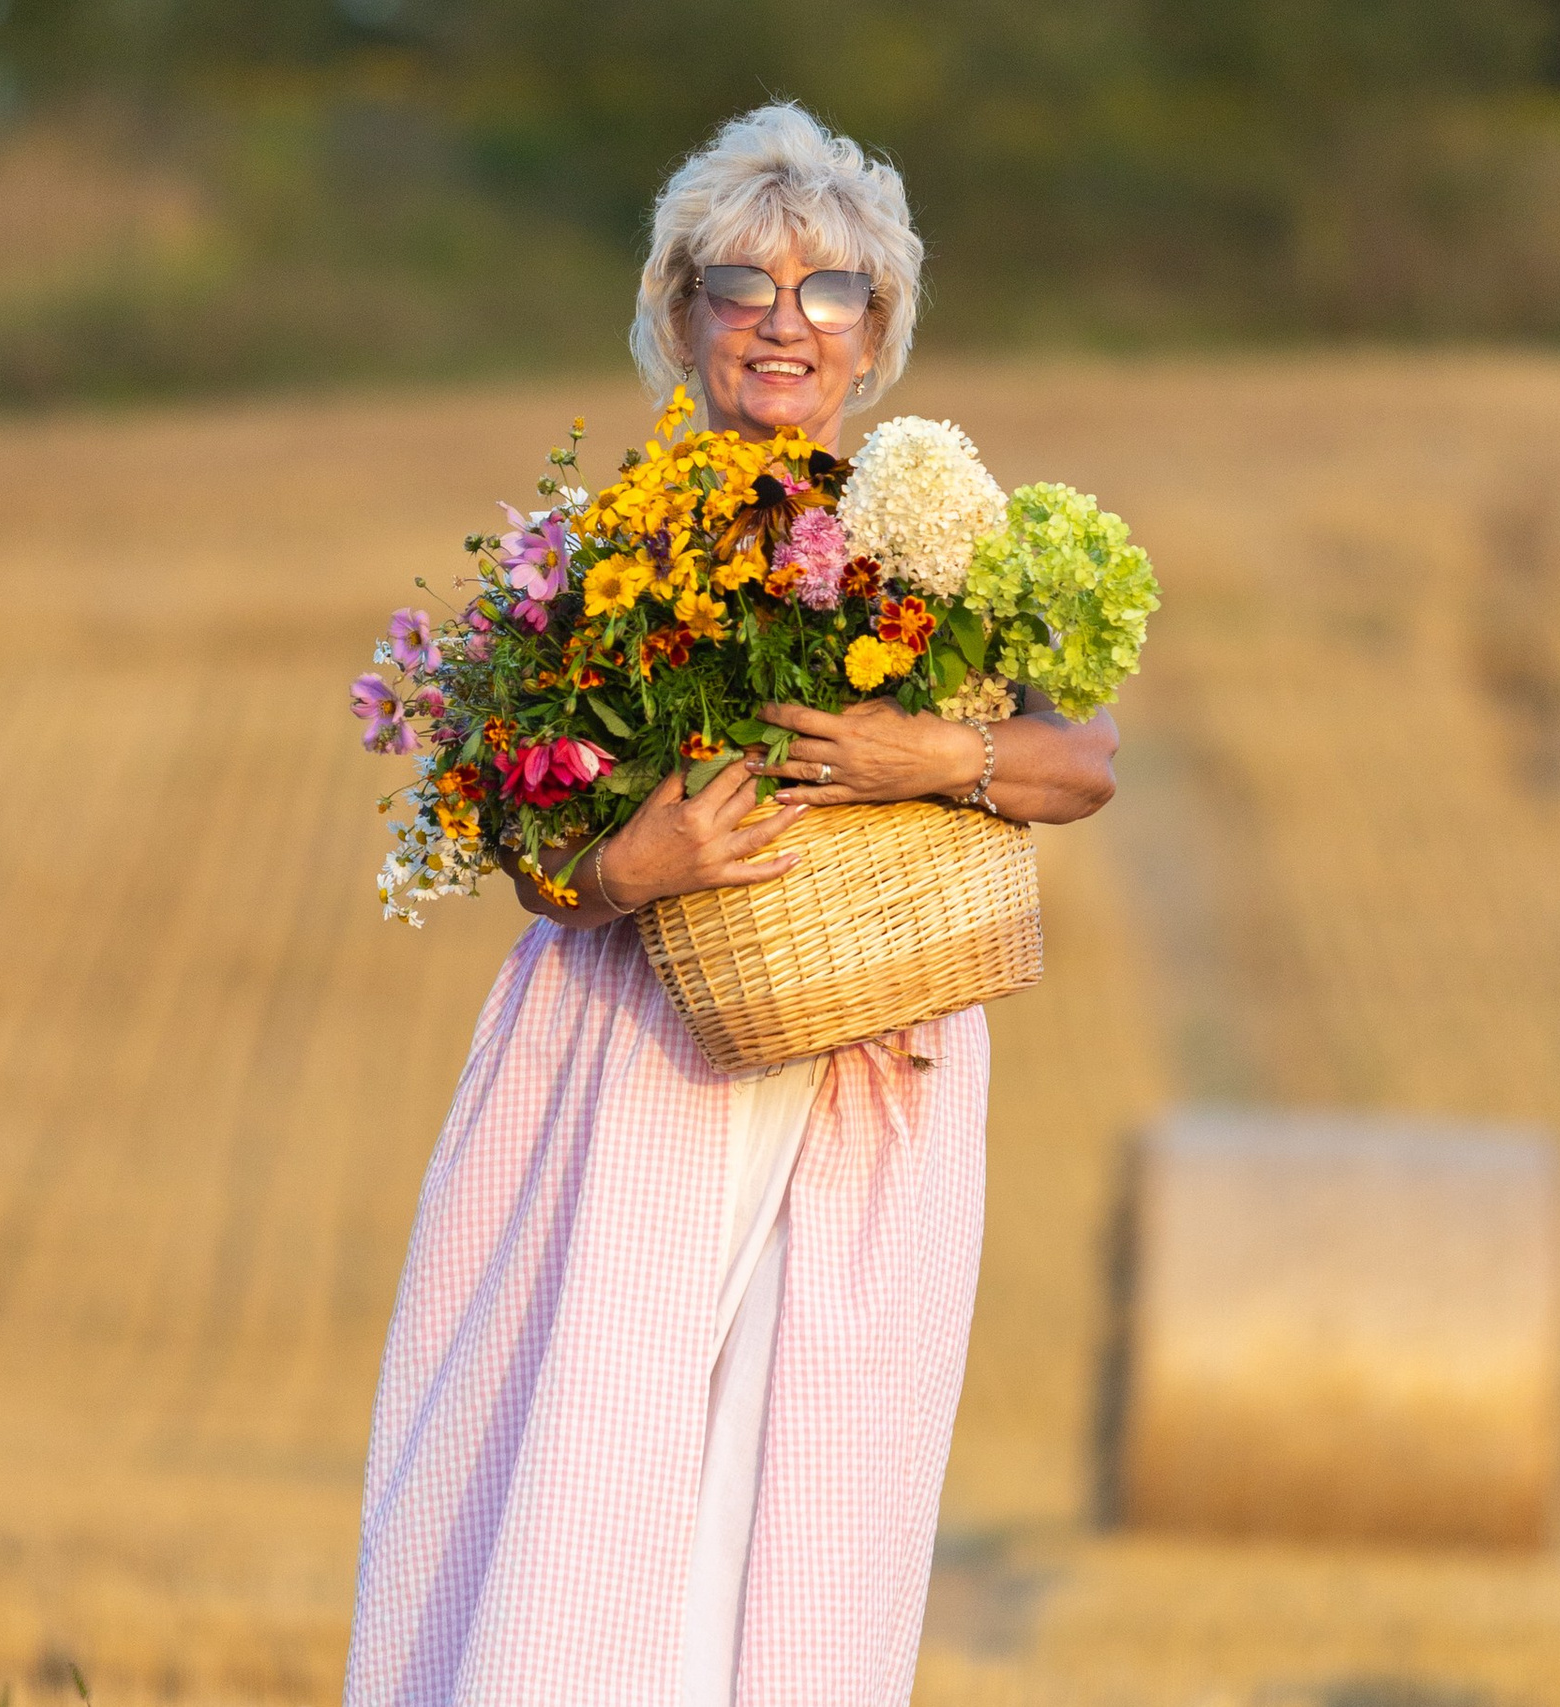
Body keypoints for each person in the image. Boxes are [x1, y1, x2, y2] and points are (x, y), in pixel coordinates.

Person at [343, 102, 1118, 1707]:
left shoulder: (940, 540)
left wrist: (933, 748)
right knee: (586, 1483)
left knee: (802, 1497)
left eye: (828, 287)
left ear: (877, 328)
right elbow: (516, 829)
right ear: (678, 316)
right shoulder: (599, 550)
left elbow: (1082, 765)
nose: (784, 319)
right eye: (738, 284)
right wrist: (630, 868)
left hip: (868, 1085)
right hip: (638, 1060)